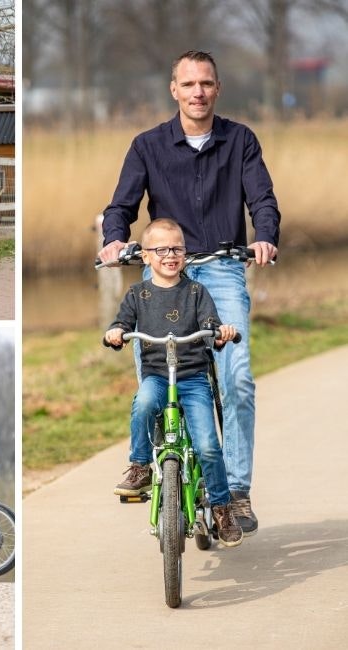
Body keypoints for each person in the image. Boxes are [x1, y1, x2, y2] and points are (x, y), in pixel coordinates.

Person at [97, 50, 280, 536]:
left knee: (236, 379)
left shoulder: (240, 140)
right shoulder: (147, 145)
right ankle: (160, 465)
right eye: (189, 84)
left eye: (206, 83)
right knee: (152, 379)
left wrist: (264, 236)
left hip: (221, 270)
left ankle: (236, 490)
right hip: (163, 272)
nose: (198, 92)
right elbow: (120, 206)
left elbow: (262, 198)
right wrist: (114, 240)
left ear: (217, 89)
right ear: (173, 90)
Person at [104, 218, 243, 547]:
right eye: (161, 249)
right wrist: (116, 333)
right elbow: (122, 322)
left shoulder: (196, 291)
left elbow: (210, 322)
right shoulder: (138, 294)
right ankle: (140, 467)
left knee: (208, 445)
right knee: (143, 405)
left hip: (193, 378)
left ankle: (222, 508)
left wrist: (220, 332)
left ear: (185, 252)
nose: (170, 255)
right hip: (157, 376)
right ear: (146, 256)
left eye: (177, 249)